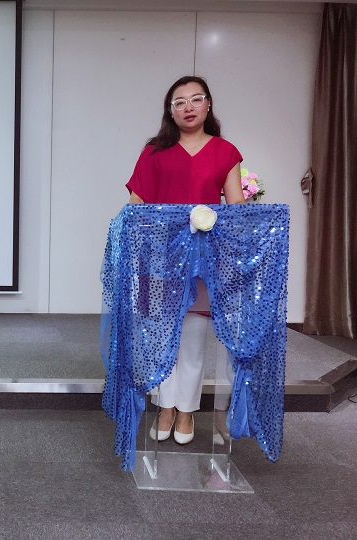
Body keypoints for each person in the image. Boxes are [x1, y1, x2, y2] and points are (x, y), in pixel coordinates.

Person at [125, 75, 245, 444]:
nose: (188, 107)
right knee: (162, 338)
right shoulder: (153, 152)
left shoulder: (225, 152)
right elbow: (136, 207)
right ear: (170, 110)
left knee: (193, 340)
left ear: (208, 105)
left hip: (203, 261)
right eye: (179, 102)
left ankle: (187, 411)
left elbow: (237, 209)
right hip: (160, 258)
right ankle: (164, 406)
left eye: (196, 99)